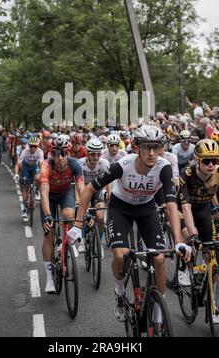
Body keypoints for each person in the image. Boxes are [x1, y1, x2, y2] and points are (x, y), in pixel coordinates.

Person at [68, 125, 191, 322]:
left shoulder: (164, 166)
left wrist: (178, 241)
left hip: (146, 210)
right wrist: (77, 224)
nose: (152, 153)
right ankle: (119, 291)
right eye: (146, 147)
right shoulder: (122, 165)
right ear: (136, 148)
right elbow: (89, 190)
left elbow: (170, 205)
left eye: (156, 147)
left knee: (159, 259)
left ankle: (160, 312)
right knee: (120, 255)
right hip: (120, 209)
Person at [177, 139, 219, 316]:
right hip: (183, 212)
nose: (210, 165)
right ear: (196, 159)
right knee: (188, 237)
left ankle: (212, 301)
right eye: (206, 161)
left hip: (201, 210)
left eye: (214, 160)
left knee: (211, 256)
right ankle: (183, 268)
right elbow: (185, 208)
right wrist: (193, 235)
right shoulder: (186, 173)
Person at [39, 136, 85, 294]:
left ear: (69, 153)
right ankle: (49, 277)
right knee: (49, 234)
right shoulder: (46, 166)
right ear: (51, 154)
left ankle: (67, 242)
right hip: (50, 196)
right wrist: (47, 215)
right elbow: (44, 194)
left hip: (65, 192)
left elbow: (81, 189)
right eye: (56, 153)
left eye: (63, 153)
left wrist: (86, 213)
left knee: (69, 214)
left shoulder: (75, 164)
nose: (60, 158)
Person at [79, 137, 111, 258]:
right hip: (84, 190)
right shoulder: (80, 163)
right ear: (87, 153)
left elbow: (108, 182)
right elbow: (78, 183)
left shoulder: (104, 163)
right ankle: (82, 239)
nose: (96, 157)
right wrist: (80, 200)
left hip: (97, 191)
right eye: (93, 154)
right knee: (83, 212)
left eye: (99, 154)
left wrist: (109, 194)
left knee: (100, 216)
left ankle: (99, 243)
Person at [14, 136, 44, 219]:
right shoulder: (25, 151)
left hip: (34, 167)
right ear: (28, 145)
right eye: (31, 146)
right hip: (26, 168)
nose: (33, 148)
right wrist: (16, 174)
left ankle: (36, 190)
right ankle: (24, 208)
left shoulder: (40, 152)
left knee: (38, 177)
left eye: (35, 146)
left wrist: (43, 173)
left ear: (38, 146)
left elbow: (42, 165)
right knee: (25, 188)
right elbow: (18, 164)